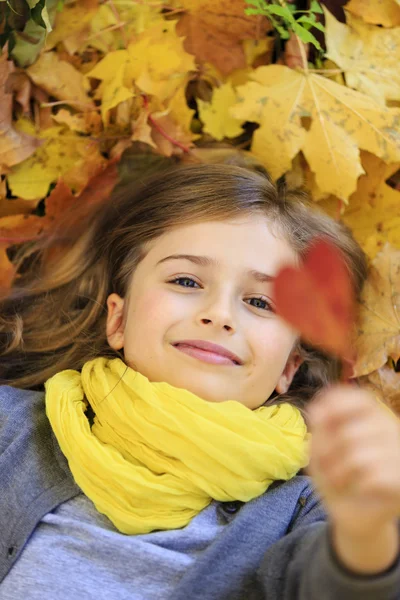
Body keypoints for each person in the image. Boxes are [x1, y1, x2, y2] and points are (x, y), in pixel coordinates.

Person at [0, 162, 399, 600]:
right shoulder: (12, 430)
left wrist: (367, 534)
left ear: (289, 366)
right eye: (186, 280)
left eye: (261, 302)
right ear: (118, 318)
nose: (221, 315)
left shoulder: (309, 509)